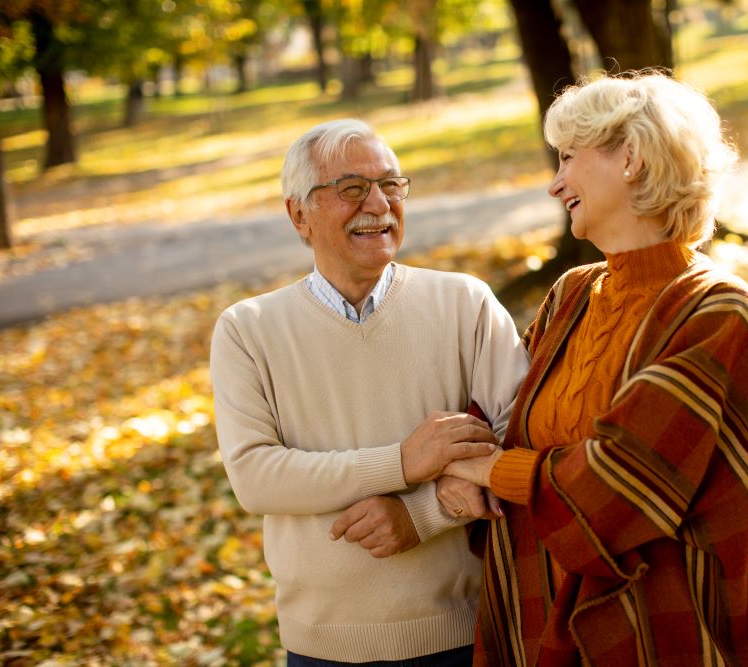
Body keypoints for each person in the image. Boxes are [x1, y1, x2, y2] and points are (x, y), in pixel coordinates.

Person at [443, 72, 748, 665]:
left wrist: (488, 470)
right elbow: (494, 416)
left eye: (568, 158)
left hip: (651, 632)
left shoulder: (712, 307)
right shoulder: (571, 294)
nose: (556, 185)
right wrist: (459, 468)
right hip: (535, 615)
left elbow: (621, 484)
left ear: (629, 157)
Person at [209, 118, 530, 666]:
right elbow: (256, 477)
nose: (379, 204)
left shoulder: (465, 303)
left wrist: (423, 514)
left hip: (466, 631)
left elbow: (522, 434)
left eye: (392, 185)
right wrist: (402, 462)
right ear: (298, 215)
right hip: (322, 647)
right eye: (352, 189)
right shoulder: (247, 329)